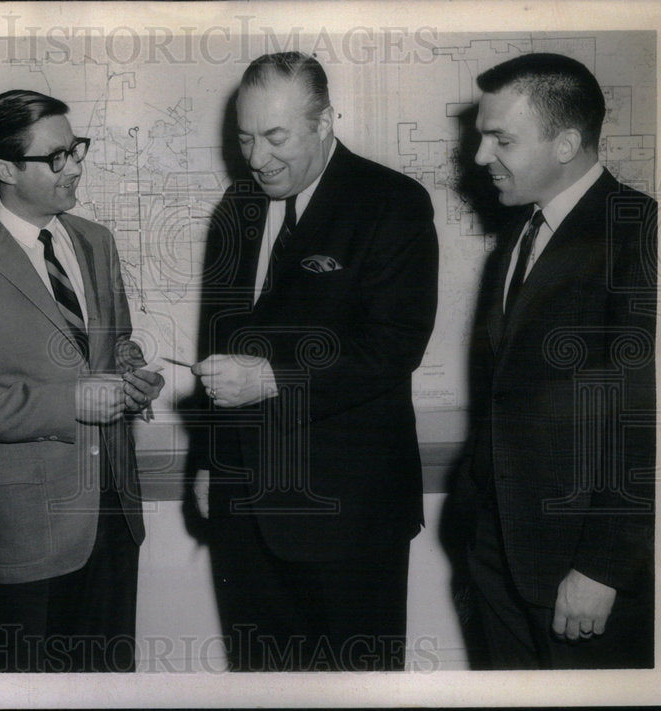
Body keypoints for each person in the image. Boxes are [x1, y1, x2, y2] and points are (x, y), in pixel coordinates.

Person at [191, 52, 439, 671]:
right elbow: (215, 345)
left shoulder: (392, 203)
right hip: (244, 511)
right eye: (244, 138)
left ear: (325, 121)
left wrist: (272, 378)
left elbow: (394, 345)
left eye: (275, 137)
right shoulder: (238, 209)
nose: (256, 158)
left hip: (347, 515)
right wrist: (208, 460)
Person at [0, 89, 163, 673]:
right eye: (56, 157)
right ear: (4, 169)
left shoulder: (95, 241)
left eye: (76, 149)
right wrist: (72, 401)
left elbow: (112, 344)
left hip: (113, 514)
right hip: (23, 535)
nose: (75, 165)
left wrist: (131, 375)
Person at [461, 52, 656, 669]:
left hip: (581, 570)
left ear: (567, 142)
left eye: (501, 139)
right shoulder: (519, 237)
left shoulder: (641, 234)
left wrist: (603, 567)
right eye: (481, 136)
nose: (479, 157)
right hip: (498, 557)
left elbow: (650, 421)